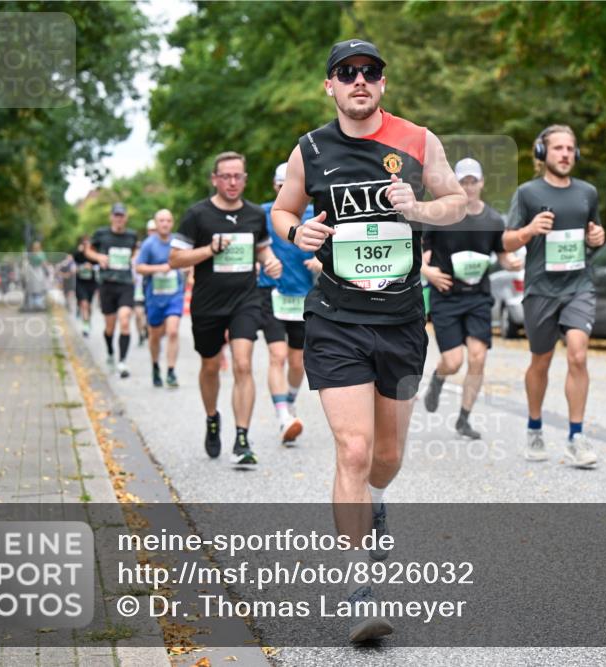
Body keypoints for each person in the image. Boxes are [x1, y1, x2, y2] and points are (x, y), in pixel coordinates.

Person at [271, 39, 466, 642]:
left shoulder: (418, 140)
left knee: (386, 457)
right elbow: (282, 211)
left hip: (402, 320)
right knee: (353, 451)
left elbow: (459, 204)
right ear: (329, 85)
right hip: (335, 318)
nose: (360, 80)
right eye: (347, 72)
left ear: (382, 83)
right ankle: (359, 590)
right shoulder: (310, 149)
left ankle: (377, 497)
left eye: (370, 72)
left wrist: (420, 210)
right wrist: (297, 233)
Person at [502, 125, 606, 467]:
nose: (565, 154)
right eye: (558, 148)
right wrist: (530, 230)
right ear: (542, 152)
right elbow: (506, 241)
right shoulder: (527, 193)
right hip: (541, 289)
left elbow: (594, 233)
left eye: (570, 148)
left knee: (578, 354)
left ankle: (576, 437)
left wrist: (597, 237)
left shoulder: (588, 193)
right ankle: (534, 427)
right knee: (541, 360)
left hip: (579, 285)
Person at [169, 151, 283, 466]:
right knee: (210, 366)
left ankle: (242, 439)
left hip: (245, 300)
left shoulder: (254, 214)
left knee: (243, 364)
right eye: (226, 176)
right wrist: (209, 249)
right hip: (208, 303)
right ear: (215, 179)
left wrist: (270, 262)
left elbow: (263, 249)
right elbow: (175, 259)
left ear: (245, 179)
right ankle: (212, 418)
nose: (232, 182)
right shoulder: (197, 214)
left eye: (238, 176)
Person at [421, 158, 523, 438]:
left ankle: (463, 419)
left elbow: (502, 254)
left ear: (481, 183)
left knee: (478, 358)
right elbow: (420, 255)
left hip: (478, 297)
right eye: (462, 181)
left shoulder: (493, 220)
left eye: (472, 181)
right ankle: (438, 379)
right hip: (446, 297)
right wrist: (428, 273)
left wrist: (511, 263)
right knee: (453, 361)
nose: (468, 186)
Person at [257, 162, 320, 445]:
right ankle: (283, 416)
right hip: (270, 292)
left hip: (303, 296)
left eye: (289, 186)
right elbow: (251, 244)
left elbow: (335, 249)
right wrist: (264, 260)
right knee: (277, 355)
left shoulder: (315, 213)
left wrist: (320, 261)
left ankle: (289, 401)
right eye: (280, 186)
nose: (285, 191)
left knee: (297, 362)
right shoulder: (262, 213)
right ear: (275, 186)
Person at [84, 202, 138, 378]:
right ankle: (110, 352)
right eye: (116, 215)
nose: (119, 219)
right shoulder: (102, 234)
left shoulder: (131, 235)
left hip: (126, 284)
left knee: (124, 320)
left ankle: (122, 362)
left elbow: (136, 251)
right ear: (111, 217)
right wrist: (98, 257)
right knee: (110, 327)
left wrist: (135, 259)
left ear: (126, 218)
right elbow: (88, 251)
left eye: (122, 216)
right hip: (107, 284)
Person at [136, 209, 184, 388]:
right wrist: (160, 268)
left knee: (173, 331)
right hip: (154, 297)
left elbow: (188, 260)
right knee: (154, 336)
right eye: (161, 220)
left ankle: (171, 371)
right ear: (156, 224)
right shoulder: (148, 244)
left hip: (174, 295)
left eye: (168, 220)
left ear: (172, 223)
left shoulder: (178, 243)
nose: (165, 224)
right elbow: (139, 268)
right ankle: (155, 365)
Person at [73, 235, 99, 337]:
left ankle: (88, 320)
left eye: (88, 243)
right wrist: (82, 267)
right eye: (84, 243)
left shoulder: (95, 255)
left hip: (91, 283)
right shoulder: (77, 255)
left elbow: (100, 266)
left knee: (89, 306)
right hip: (80, 283)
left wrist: (92, 267)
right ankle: (85, 326)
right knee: (84, 304)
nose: (86, 245)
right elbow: (72, 267)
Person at [132, 239, 149, 346]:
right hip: (137, 291)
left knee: (147, 315)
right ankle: (140, 335)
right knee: (138, 314)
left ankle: (146, 328)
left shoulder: (148, 260)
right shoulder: (131, 262)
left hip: (148, 289)